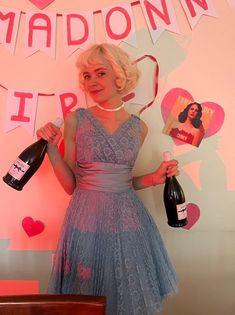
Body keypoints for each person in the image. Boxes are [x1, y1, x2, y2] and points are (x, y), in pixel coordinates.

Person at [36, 43, 180, 315]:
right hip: (85, 220)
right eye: (87, 76)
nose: (92, 81)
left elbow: (122, 182)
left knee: (126, 298)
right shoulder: (76, 119)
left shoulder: (140, 127)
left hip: (128, 223)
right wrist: (51, 149)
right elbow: (70, 186)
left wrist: (153, 178)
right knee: (85, 300)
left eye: (100, 73)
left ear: (119, 75)